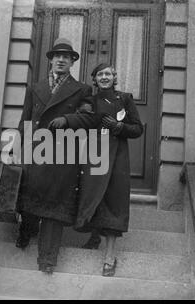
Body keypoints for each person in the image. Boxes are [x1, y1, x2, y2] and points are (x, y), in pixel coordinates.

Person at [15, 38, 97, 274]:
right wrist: (18, 148)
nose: (61, 60)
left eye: (66, 57)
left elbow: (90, 120)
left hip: (64, 154)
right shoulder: (35, 88)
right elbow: (26, 120)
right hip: (37, 151)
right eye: (57, 56)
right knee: (30, 197)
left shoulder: (82, 89)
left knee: (54, 208)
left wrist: (68, 120)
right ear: (50, 60)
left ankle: (47, 260)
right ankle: (26, 231)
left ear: (72, 62)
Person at [75, 63, 143, 277]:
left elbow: (138, 129)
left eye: (108, 74)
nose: (104, 77)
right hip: (95, 155)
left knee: (114, 201)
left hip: (117, 158)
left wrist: (119, 127)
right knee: (94, 195)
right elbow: (82, 122)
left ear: (114, 78)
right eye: (100, 75)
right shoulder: (89, 101)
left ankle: (109, 257)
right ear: (94, 80)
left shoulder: (124, 99)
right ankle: (94, 236)